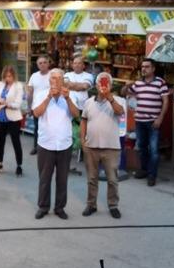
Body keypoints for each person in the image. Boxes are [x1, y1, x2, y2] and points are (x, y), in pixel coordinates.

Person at [32, 69, 79, 220]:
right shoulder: (41, 94)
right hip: (46, 143)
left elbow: (76, 114)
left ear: (63, 80)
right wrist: (48, 98)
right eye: (53, 78)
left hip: (64, 143)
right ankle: (43, 207)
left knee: (62, 178)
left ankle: (60, 208)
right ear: (49, 80)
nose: (56, 81)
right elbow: (36, 113)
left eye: (59, 78)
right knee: (44, 178)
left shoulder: (71, 94)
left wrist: (68, 99)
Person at [80, 72, 126, 219]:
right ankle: (91, 204)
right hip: (91, 147)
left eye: (106, 83)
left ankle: (113, 205)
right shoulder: (88, 102)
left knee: (112, 179)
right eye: (100, 82)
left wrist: (109, 97)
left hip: (111, 147)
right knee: (92, 178)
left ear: (111, 85)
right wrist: (83, 140)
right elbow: (84, 120)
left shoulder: (118, 100)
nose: (103, 86)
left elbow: (120, 112)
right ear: (96, 85)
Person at [123, 59, 169, 186]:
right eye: (142, 67)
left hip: (153, 121)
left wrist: (160, 118)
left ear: (153, 69)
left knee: (154, 150)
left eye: (147, 67)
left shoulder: (160, 83)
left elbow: (165, 101)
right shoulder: (138, 83)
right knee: (142, 148)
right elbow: (124, 93)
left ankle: (152, 175)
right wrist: (127, 85)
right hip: (140, 121)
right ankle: (144, 170)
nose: (144, 69)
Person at [0, 65, 24, 176]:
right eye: (5, 76)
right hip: (1, 117)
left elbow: (18, 104)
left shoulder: (18, 86)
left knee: (16, 142)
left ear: (14, 76)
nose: (7, 79)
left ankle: (19, 165)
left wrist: (6, 104)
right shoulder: (0, 84)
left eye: (9, 76)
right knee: (0, 142)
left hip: (13, 118)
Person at [26, 56, 51, 156]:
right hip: (36, 107)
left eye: (45, 62)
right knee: (37, 128)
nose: (42, 64)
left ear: (48, 64)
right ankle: (36, 147)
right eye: (40, 63)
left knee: (49, 127)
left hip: (50, 107)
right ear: (37, 65)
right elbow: (30, 93)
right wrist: (29, 107)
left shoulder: (52, 75)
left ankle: (49, 148)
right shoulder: (34, 76)